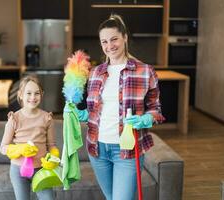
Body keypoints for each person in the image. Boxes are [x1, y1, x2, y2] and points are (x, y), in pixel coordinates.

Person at [66, 14, 165, 200]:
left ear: (125, 38)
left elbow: (156, 110)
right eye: (104, 41)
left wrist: (146, 119)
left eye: (114, 39)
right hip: (97, 149)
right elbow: (95, 111)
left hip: (127, 150)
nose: (109, 46)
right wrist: (81, 114)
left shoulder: (145, 71)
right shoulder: (95, 72)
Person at [0, 76, 59, 200]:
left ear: (42, 94)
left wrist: (54, 158)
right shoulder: (14, 119)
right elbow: (3, 147)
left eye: (37, 93)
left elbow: (52, 145)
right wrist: (20, 149)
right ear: (20, 95)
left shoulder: (47, 118)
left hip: (42, 170)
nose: (33, 97)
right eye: (28, 93)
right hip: (18, 171)